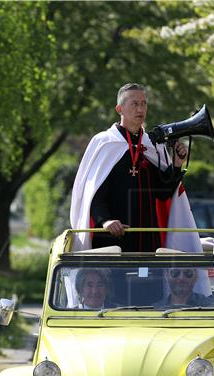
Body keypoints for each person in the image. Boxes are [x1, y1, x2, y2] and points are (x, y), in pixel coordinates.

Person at [69, 83, 201, 253]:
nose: (141, 109)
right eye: (135, 104)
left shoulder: (152, 144)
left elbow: (162, 193)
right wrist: (105, 221)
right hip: (112, 239)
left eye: (144, 103)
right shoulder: (105, 143)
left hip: (147, 238)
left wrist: (176, 164)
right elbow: (93, 192)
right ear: (120, 109)